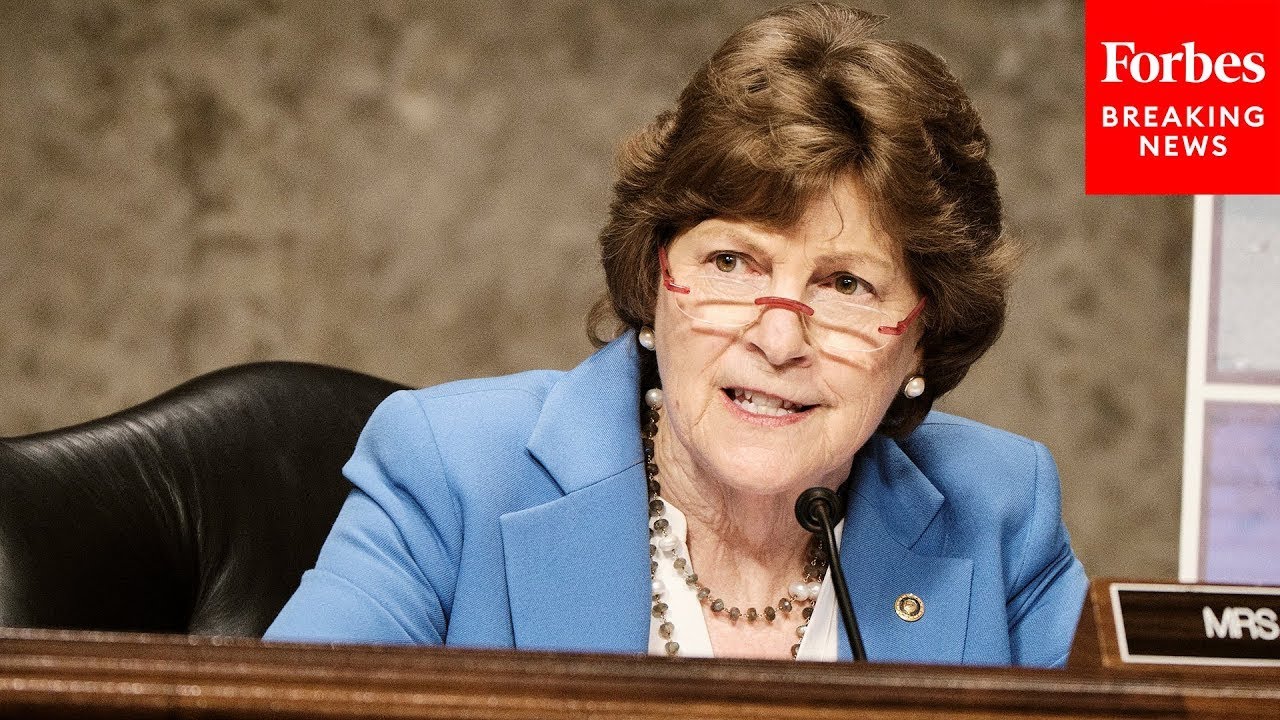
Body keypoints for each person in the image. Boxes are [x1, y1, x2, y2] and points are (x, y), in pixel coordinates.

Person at [265, 2, 1087, 666]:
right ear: (654, 276)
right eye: (732, 262)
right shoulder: (451, 473)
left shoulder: (1000, 509)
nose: (778, 340)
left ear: (924, 336)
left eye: (845, 285)